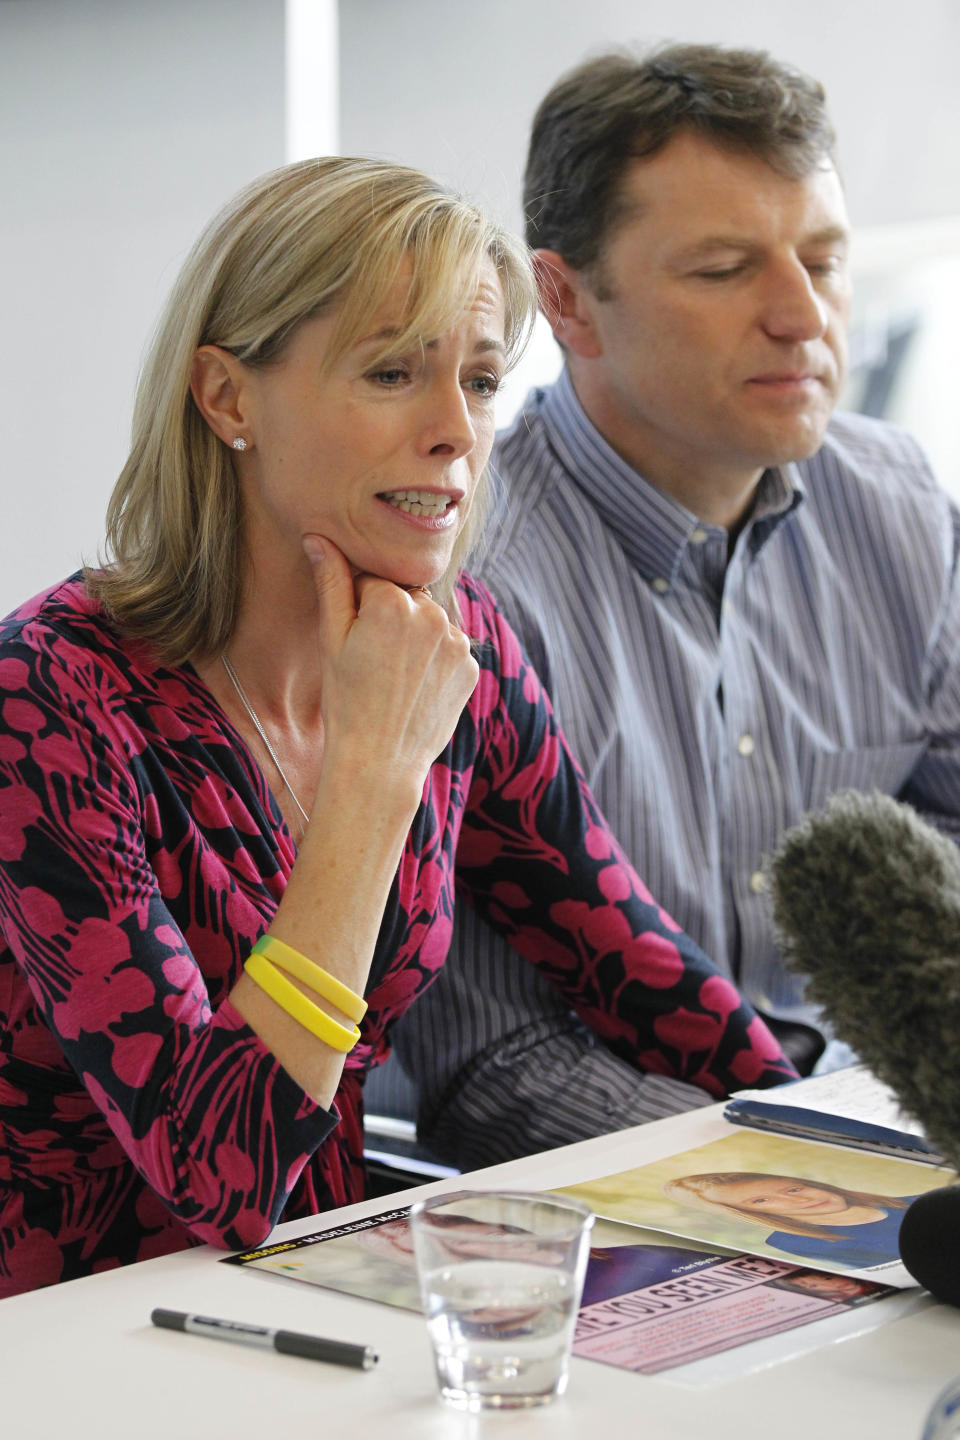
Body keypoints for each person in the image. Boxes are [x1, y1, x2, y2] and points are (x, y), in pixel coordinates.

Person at [0, 156, 796, 1299]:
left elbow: (632, 964)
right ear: (228, 399)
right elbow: (221, 1175)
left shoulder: (454, 637)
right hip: (77, 1340)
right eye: (390, 373)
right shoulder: (51, 696)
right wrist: (375, 773)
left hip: (326, 1305)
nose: (454, 435)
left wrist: (834, 1146)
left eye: (478, 382)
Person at [388, 42, 960, 1169]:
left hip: (885, 1139)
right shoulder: (465, 587)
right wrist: (807, 1167)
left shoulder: (902, 509)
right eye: (724, 269)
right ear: (565, 300)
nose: (804, 318)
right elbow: (493, 1066)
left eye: (825, 260)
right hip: (628, 1196)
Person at [663, 1172, 917, 1269]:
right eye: (761, 1201)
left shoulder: (916, 1201)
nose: (798, 1201)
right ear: (749, 1214)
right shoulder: (792, 1244)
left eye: (794, 1189)